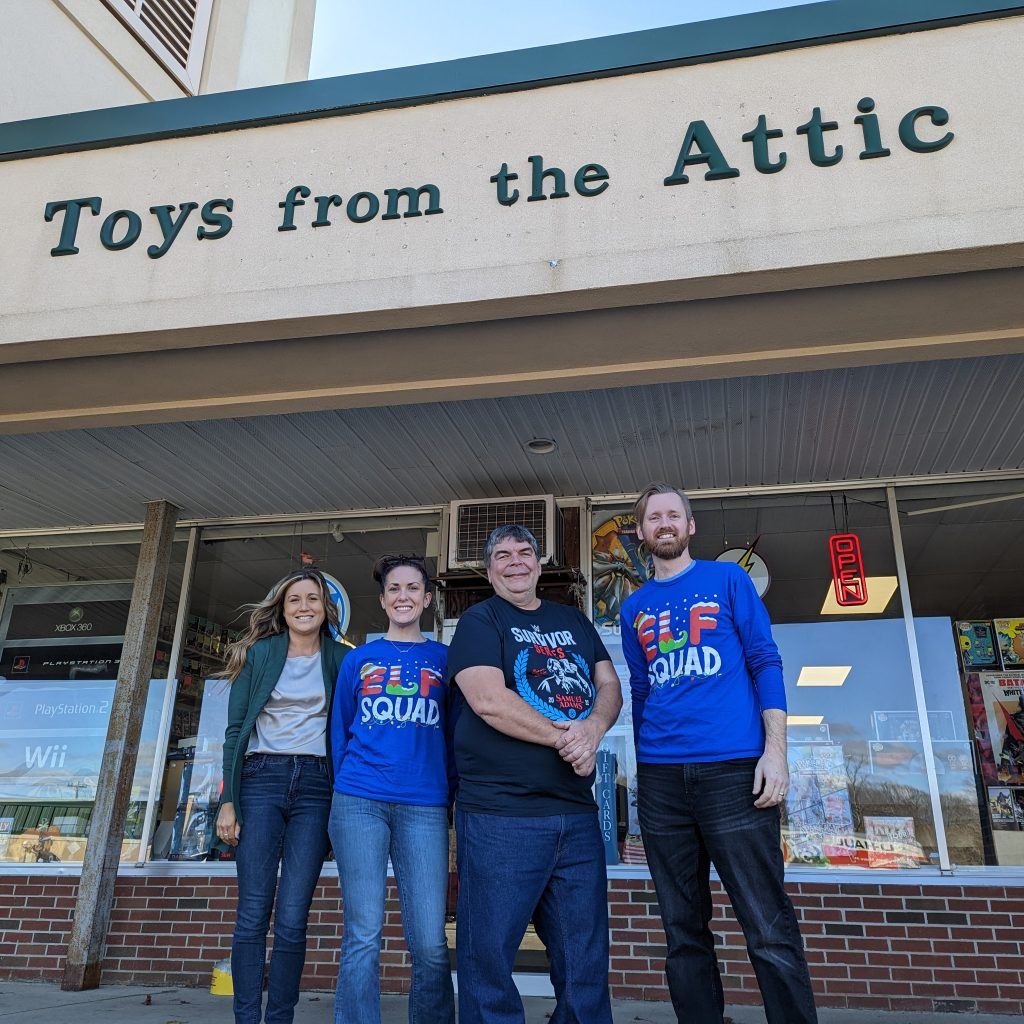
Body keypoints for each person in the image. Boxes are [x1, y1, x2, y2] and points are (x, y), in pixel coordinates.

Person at [620, 483, 817, 1024]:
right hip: (661, 782)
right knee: (682, 929)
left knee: (767, 924)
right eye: (653, 517)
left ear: (690, 526)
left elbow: (764, 661)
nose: (663, 524)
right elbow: (641, 691)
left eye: (673, 515)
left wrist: (774, 752)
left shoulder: (729, 580)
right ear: (641, 532)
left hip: (734, 772)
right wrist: (642, 767)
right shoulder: (634, 606)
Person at [447, 524, 622, 1024]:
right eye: (502, 555)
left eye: (525, 552)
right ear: (489, 569)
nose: (515, 561)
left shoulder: (573, 620)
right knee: (489, 957)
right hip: (503, 814)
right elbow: (487, 700)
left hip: (575, 814)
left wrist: (592, 727)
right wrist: (569, 740)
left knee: (584, 957)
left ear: (539, 564)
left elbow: (608, 685)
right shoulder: (480, 620)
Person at [328, 555, 455, 1024]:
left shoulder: (444, 660)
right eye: (394, 589)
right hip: (359, 800)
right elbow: (340, 731)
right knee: (363, 932)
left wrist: (448, 794)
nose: (404, 596)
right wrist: (351, 784)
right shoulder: (358, 660)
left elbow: (454, 736)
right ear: (383, 600)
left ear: (425, 598)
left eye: (413, 588)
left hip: (423, 805)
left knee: (430, 941)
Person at [216, 568, 344, 1024]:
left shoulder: (341, 659)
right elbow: (235, 732)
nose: (304, 606)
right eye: (295, 600)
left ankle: (280, 1018)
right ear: (283, 609)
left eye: (313, 598)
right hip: (261, 779)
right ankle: (247, 1018)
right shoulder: (261, 653)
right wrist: (228, 800)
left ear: (326, 608)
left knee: (292, 917)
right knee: (252, 913)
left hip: (316, 785)